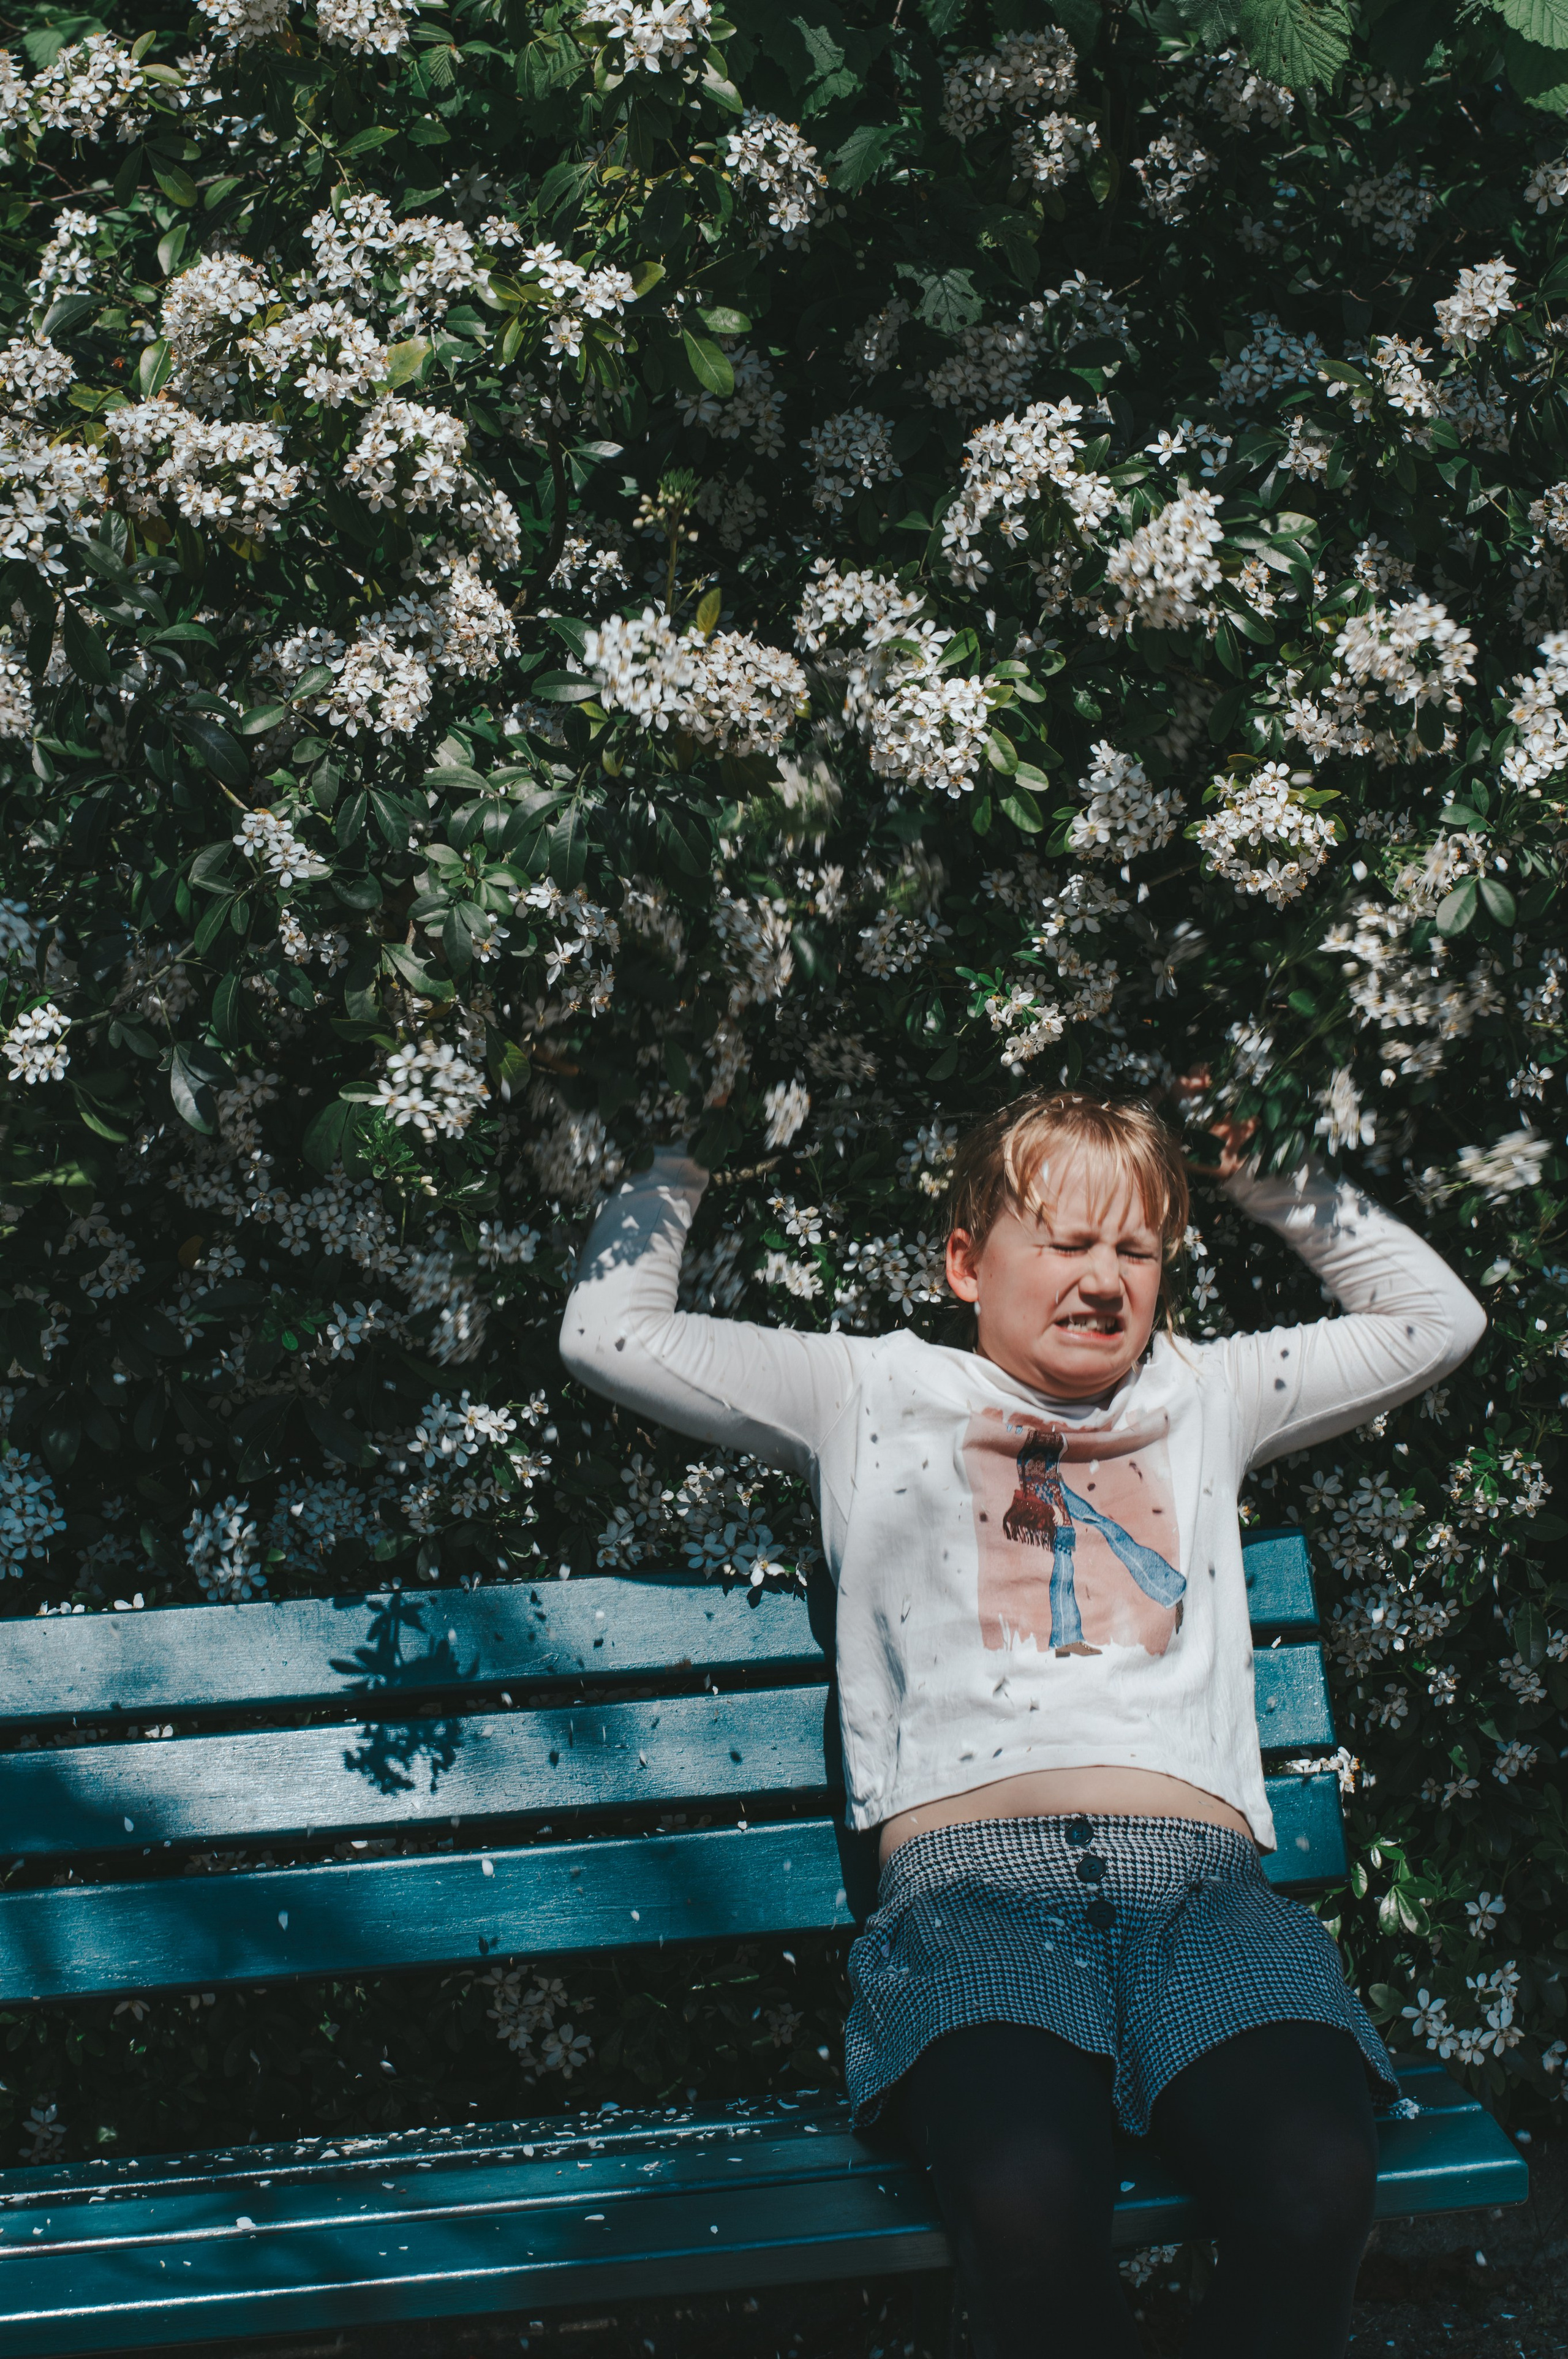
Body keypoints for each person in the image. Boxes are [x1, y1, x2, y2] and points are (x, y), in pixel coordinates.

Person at [559, 1091, 1485, 2359]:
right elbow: (608, 1333)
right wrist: (685, 1144)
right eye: (1065, 1242)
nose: (1104, 1280)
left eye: (1137, 1249)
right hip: (969, 1902)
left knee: (1315, 2185)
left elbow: (1438, 1322)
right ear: (964, 1263)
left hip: (1203, 1902)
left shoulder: (1207, 1397)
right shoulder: (867, 1390)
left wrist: (1265, 1168)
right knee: (1024, 2203)